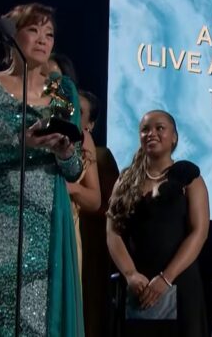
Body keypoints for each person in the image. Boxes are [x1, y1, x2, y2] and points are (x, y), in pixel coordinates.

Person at [0, 2, 100, 336]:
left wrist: (65, 150)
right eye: (33, 30)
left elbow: (74, 168)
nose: (42, 40)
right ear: (12, 36)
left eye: (49, 34)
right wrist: (22, 143)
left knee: (37, 316)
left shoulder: (61, 90)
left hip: (45, 216)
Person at [107, 109, 210, 337]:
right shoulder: (125, 179)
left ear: (174, 137)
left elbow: (199, 232)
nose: (151, 133)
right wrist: (131, 274)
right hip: (139, 289)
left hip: (181, 284)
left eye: (159, 128)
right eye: (145, 129)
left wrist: (166, 278)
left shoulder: (189, 177)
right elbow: (113, 233)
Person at [77, 90, 120, 337]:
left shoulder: (100, 156)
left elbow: (111, 209)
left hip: (89, 246)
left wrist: (75, 195)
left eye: (80, 113)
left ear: (91, 124)